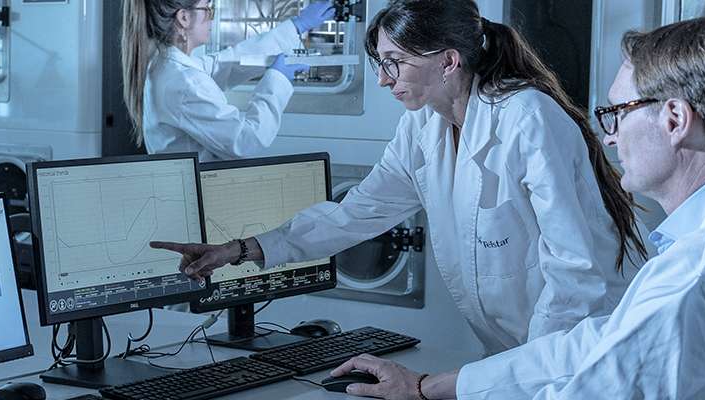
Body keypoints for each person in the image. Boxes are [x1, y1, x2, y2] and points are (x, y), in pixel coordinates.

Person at [324, 15, 705, 399]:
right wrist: (433, 387)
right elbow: (597, 344)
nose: (608, 137)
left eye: (619, 112)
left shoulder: (696, 279)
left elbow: (580, 387)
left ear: (675, 120)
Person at [149, 0, 650, 355]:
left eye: (394, 63)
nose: (385, 79)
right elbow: (354, 214)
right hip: (514, 357)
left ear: (448, 62)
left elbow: (575, 271)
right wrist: (240, 250)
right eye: (380, 64)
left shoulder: (526, 118)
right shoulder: (423, 127)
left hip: (583, 350)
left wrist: (527, 373)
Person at [123, 0, 334, 160]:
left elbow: (226, 63)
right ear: (184, 18)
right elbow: (247, 141)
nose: (212, 17)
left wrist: (295, 27)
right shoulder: (183, 81)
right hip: (201, 195)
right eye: (208, 9)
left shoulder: (164, 65)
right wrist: (276, 80)